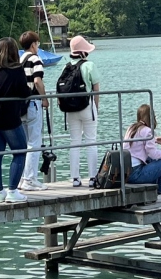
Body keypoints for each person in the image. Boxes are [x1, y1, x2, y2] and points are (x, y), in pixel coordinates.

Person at [0, 37, 31, 203]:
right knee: (20, 151)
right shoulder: (17, 70)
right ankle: (12, 191)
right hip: (9, 117)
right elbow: (24, 92)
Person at [58, 35, 101, 186]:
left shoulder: (66, 67)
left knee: (74, 142)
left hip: (70, 110)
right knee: (91, 141)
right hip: (87, 107)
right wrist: (96, 108)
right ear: (84, 51)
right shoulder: (89, 65)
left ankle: (75, 178)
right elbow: (96, 90)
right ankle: (92, 177)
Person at [123, 103, 161, 201]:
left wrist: (154, 139)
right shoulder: (148, 131)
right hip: (136, 174)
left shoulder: (131, 128)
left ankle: (158, 189)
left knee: (149, 160)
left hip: (126, 173)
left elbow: (137, 144)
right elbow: (153, 154)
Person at [17, 31, 48, 192]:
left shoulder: (20, 60)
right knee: (34, 142)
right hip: (33, 102)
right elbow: (37, 81)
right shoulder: (35, 59)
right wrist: (44, 98)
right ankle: (30, 179)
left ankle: (21, 178)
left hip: (21, 105)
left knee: (23, 143)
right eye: (37, 43)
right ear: (33, 45)